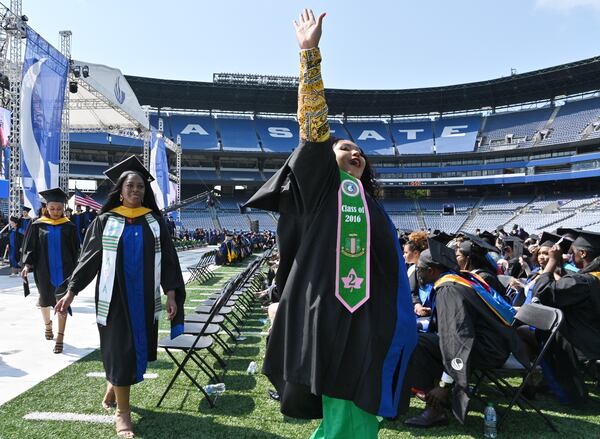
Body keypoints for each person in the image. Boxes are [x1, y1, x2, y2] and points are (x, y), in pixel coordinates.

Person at [242, 9, 417, 438]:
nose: (355, 154)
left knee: (362, 393)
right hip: (331, 307)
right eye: (344, 148)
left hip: (371, 313)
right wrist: (309, 53)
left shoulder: (370, 203)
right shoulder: (324, 188)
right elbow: (314, 127)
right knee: (346, 394)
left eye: (360, 151)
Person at [55, 156, 186, 438]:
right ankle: (122, 413)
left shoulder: (154, 222)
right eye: (130, 186)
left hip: (144, 299)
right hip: (114, 300)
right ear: (120, 190)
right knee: (121, 350)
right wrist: (71, 292)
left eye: (140, 186)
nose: (136, 190)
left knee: (130, 351)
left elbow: (169, 262)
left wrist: (172, 295)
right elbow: (88, 260)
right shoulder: (105, 221)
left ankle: (113, 386)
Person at [402, 239, 526, 428]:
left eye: (420, 268)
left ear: (432, 271)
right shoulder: (459, 280)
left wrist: (445, 384)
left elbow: (458, 339)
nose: (416, 273)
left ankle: (436, 409)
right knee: (422, 340)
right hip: (495, 344)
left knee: (417, 344)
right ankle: (437, 398)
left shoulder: (449, 290)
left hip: (487, 351)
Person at [532, 229, 600, 406]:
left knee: (543, 332)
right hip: (593, 335)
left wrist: (553, 261)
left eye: (572, 253)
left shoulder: (584, 282)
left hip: (585, 344)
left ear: (583, 253)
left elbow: (542, 292)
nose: (570, 256)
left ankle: (557, 386)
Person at [20, 188, 79, 353]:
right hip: (43, 270)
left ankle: (60, 336)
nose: (56, 212)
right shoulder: (37, 225)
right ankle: (48, 326)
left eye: (59, 209)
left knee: (62, 304)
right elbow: (30, 247)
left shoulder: (69, 226)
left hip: (65, 271)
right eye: (52, 208)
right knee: (44, 300)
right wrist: (26, 265)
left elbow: (75, 250)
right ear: (46, 207)